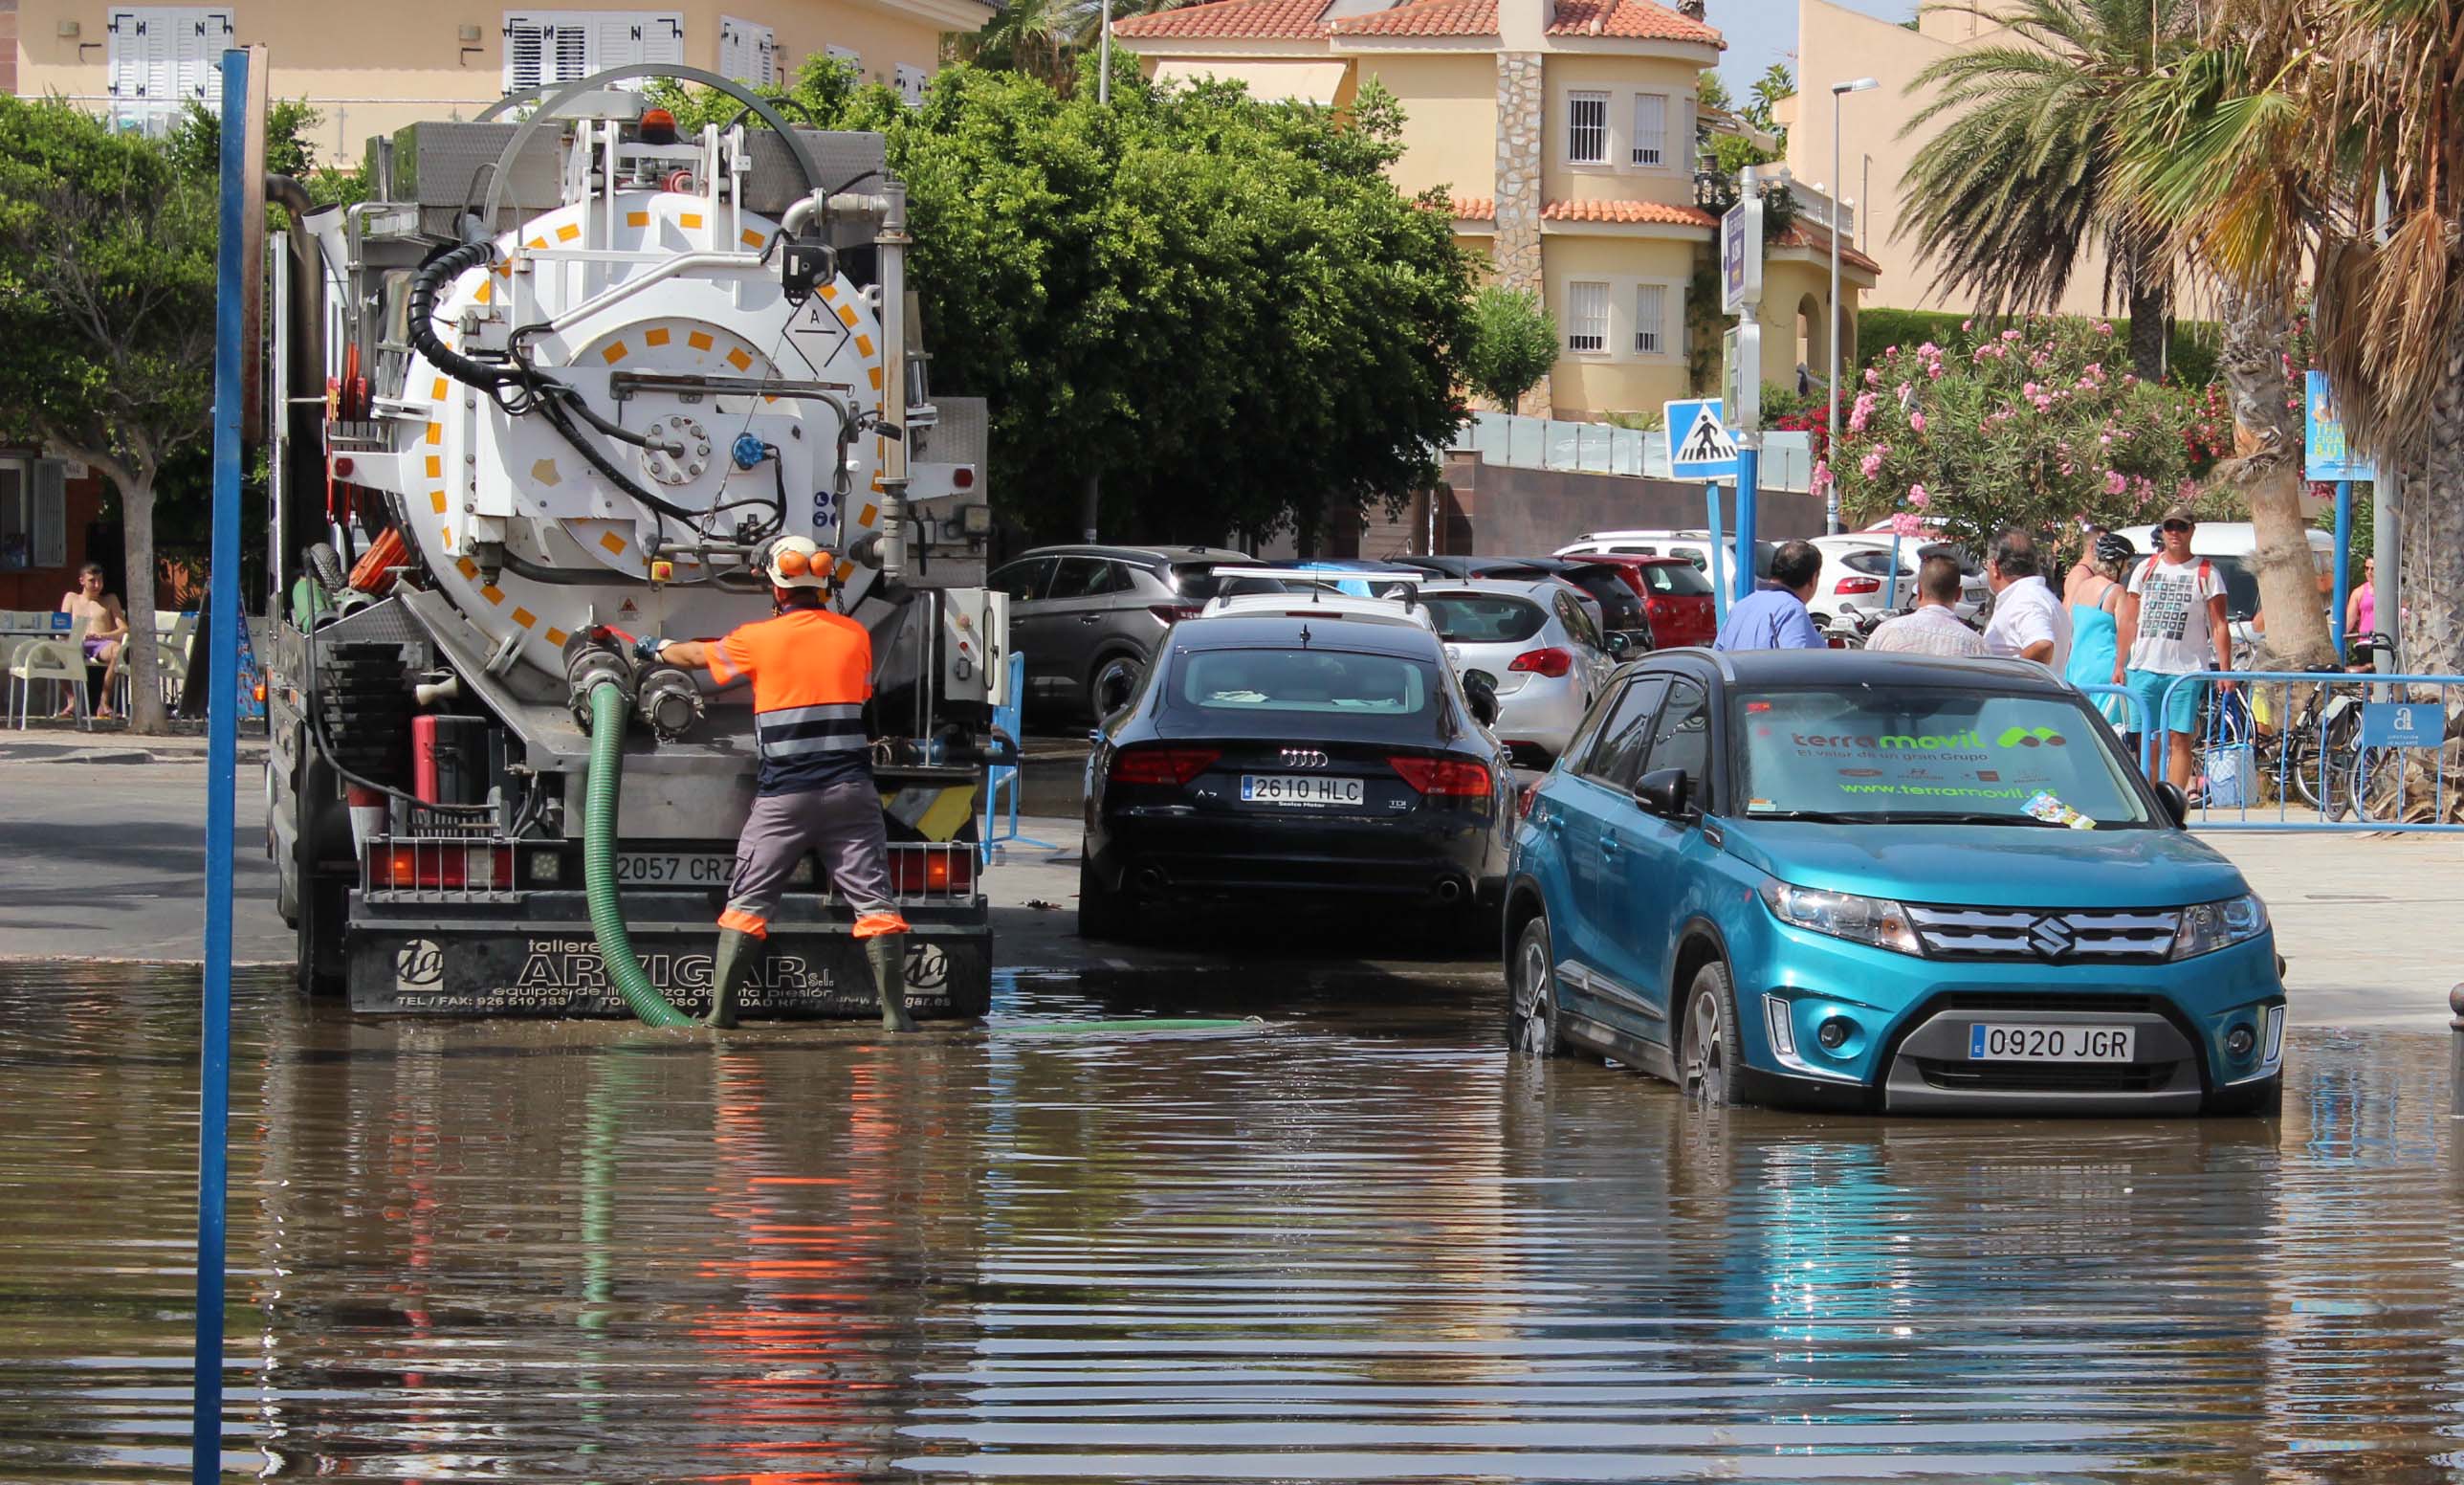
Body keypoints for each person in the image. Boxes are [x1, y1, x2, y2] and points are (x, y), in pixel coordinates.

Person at [638, 536, 913, 1031]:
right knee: (875, 903)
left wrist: (656, 648)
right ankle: (897, 1019)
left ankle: (720, 1015)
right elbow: (859, 692)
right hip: (851, 793)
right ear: (825, 583)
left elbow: (700, 660)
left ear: (773, 585)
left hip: (784, 798)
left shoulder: (757, 639)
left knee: (746, 903)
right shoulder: (855, 636)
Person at [2113, 506, 2234, 793]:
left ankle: (2174, 805)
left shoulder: (2207, 572)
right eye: (2170, 527)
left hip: (2185, 670)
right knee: (2145, 740)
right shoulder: (2145, 568)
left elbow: (2219, 625)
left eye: (2181, 526)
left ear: (2192, 530)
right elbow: (2129, 619)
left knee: (2180, 738)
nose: (2175, 533)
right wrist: (2120, 664)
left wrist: (2226, 671)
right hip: (2144, 666)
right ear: (2163, 531)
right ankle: (2149, 803)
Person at [2064, 531, 2136, 742]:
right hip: (2106, 668)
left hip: (2077, 666)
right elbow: (2126, 630)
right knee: (2105, 733)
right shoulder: (2115, 591)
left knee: (2080, 730)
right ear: (2118, 563)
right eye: (2128, 564)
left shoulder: (2082, 587)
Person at [1982, 529, 2072, 672]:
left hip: (2018, 693)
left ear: (1994, 566)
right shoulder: (2039, 596)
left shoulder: (2025, 600)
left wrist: (2016, 682)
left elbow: (2042, 645)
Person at [1713, 540, 1827, 652]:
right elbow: (1795, 665)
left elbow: (1718, 656)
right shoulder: (1792, 611)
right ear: (1813, 579)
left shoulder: (1740, 607)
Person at [1863, 555, 1987, 657]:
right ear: (1958, 594)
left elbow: (1866, 675)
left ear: (1919, 591)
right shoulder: (1975, 645)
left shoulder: (1885, 632)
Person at [57, 563, 129, 720]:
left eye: (100, 581)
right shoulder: (72, 598)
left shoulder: (109, 600)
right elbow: (62, 625)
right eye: (92, 581)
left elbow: (124, 629)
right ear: (82, 581)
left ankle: (103, 704)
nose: (97, 585)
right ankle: (72, 703)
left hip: (100, 643)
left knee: (117, 650)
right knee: (59, 651)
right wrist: (72, 637)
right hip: (76, 642)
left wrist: (103, 636)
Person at [2346, 557, 2379, 668]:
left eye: (2373, 569)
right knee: (2367, 677)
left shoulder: (2392, 589)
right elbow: (2350, 620)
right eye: (2366, 568)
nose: (2369, 572)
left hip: (2386, 641)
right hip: (2365, 642)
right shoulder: (2358, 592)